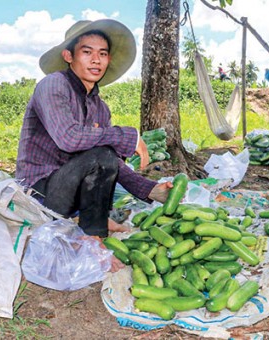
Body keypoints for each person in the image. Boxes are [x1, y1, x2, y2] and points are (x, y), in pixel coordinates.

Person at [15, 19, 173, 270]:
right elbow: (68, 138)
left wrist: (149, 189)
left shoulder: (100, 108)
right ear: (69, 56)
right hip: (39, 191)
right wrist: (127, 136)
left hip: (69, 189)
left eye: (102, 54)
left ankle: (89, 220)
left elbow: (109, 160)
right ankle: (93, 241)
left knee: (105, 153)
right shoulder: (53, 85)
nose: (95, 60)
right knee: (103, 152)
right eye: (87, 52)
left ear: (108, 60)